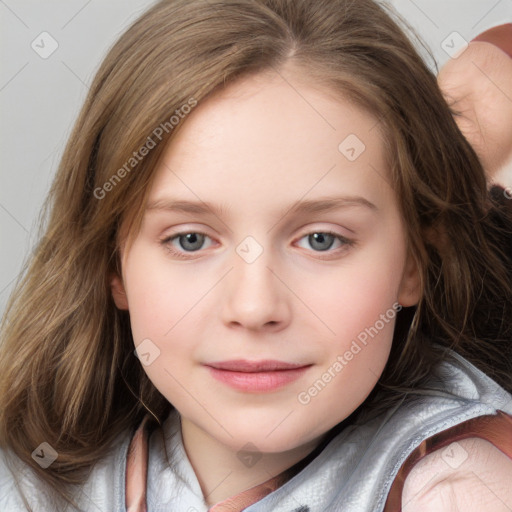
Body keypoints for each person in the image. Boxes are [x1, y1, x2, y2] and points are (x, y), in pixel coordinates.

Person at [0, 1, 511, 511]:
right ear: (114, 265)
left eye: (321, 240)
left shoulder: (459, 487)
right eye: (191, 240)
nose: (253, 307)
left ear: (414, 261)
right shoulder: (30, 481)